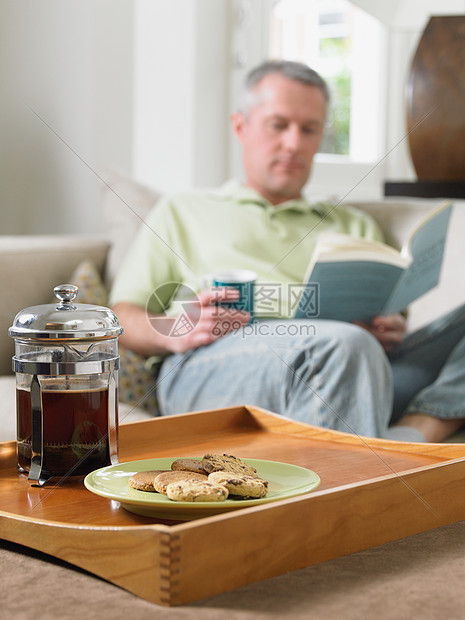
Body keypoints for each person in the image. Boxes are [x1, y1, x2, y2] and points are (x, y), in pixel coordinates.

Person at [110, 60, 465, 442]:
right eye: (278, 125)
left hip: (354, 364)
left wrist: (389, 326)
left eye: (309, 129)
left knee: (355, 346)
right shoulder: (183, 211)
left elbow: (383, 321)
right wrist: (175, 331)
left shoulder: (352, 224)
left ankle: (416, 429)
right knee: (344, 346)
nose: (294, 143)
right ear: (240, 126)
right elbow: (121, 315)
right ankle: (374, 466)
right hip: (211, 365)